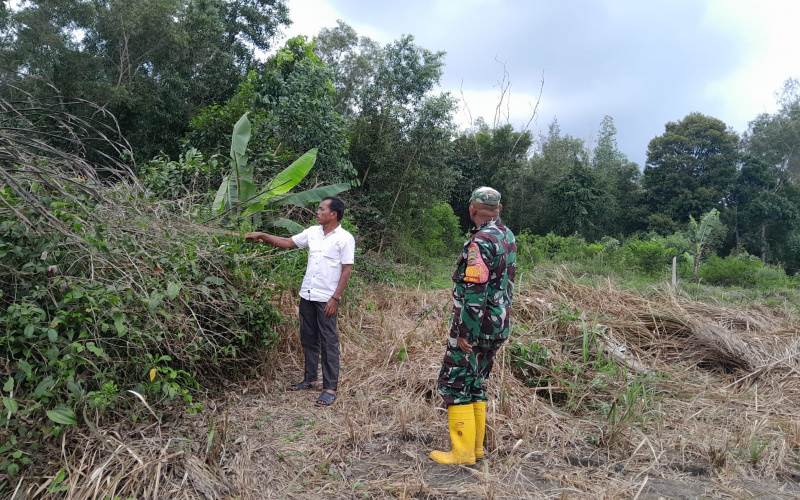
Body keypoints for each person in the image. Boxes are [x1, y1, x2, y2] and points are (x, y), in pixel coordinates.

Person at [430, 186, 517, 465]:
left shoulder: (480, 242)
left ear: (472, 209)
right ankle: (476, 449)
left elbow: (476, 291)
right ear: (498, 209)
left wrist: (466, 332)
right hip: (498, 324)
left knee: (456, 383)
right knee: (477, 382)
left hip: (476, 326)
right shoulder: (507, 236)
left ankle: (462, 453)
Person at [245, 197, 355, 407]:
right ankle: (310, 378)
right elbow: (288, 243)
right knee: (308, 337)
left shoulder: (344, 238)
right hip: (307, 295)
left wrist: (335, 298)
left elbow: (346, 270)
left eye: (322, 209)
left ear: (333, 214)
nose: (318, 211)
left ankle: (330, 388)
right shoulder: (312, 232)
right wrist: (262, 236)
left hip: (326, 299)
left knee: (328, 342)